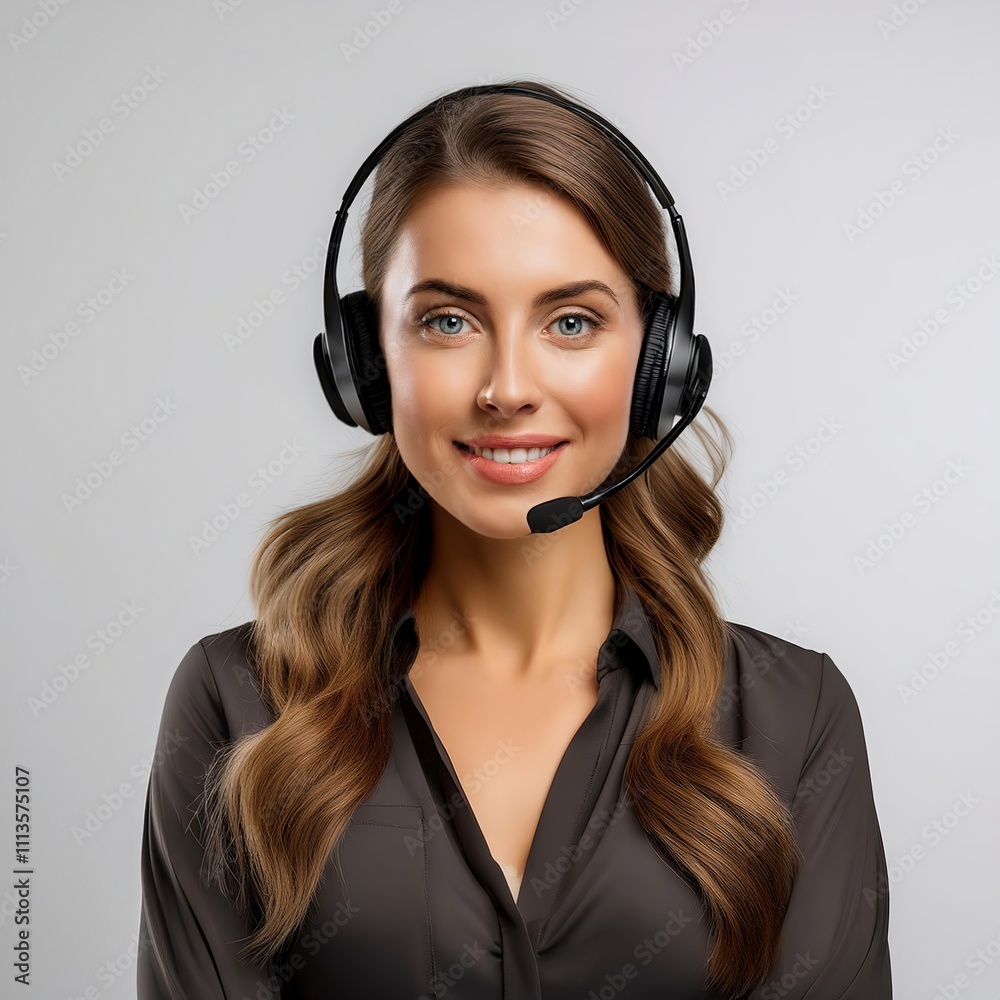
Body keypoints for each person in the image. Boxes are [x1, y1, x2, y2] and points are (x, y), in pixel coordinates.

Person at [136, 80, 892, 999]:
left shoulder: (795, 715)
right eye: (448, 321)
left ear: (660, 363)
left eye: (570, 321)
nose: (507, 387)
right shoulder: (237, 703)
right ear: (366, 362)